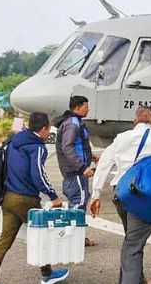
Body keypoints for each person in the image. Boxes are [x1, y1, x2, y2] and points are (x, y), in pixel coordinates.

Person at [89, 106, 151, 284]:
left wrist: (96, 194)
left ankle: (139, 278)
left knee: (132, 240)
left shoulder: (121, 138)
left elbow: (105, 163)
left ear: (135, 121)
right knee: (134, 244)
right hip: (143, 196)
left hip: (120, 194)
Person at [0, 112, 69, 284]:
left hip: (7, 198)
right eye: (48, 130)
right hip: (25, 199)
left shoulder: (14, 141)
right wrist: (53, 196)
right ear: (44, 128)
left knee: (5, 241)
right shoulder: (37, 147)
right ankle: (47, 275)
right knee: (41, 234)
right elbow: (38, 174)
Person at [55, 95, 98, 247]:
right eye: (86, 106)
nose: (88, 109)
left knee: (81, 201)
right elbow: (67, 147)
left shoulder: (76, 122)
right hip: (75, 172)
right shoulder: (72, 124)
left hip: (78, 171)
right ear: (78, 107)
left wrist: (91, 156)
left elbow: (78, 145)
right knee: (78, 202)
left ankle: (77, 236)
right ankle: (65, 236)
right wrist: (82, 167)